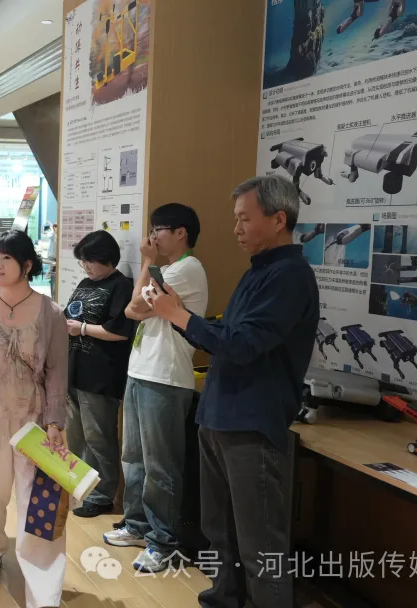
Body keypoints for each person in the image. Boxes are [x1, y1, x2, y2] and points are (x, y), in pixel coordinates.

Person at [148, 176, 318, 607]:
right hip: (219, 416)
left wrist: (181, 317)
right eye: (235, 218)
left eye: (245, 218)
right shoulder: (258, 271)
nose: (236, 228)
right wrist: (179, 315)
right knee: (219, 533)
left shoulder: (290, 276)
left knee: (261, 547)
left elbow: (244, 344)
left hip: (251, 423)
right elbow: (227, 334)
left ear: (278, 219)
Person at [0, 229, 68, 608]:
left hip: (36, 424)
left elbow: (57, 371)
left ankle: (43, 581)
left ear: (27, 264)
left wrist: (55, 421)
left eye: (6, 258)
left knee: (40, 504)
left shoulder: (51, 313)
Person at [103, 202, 208, 573]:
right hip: (141, 370)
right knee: (133, 458)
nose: (152, 237)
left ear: (181, 233)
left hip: (166, 376)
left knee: (161, 467)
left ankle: (163, 542)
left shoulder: (186, 269)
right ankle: (137, 526)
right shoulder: (168, 271)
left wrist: (147, 261)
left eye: (158, 229)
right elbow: (133, 311)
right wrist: (150, 268)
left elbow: (134, 305)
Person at [62, 231, 135, 519]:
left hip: (101, 374)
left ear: (106, 258)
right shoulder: (85, 283)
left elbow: (120, 331)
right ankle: (82, 486)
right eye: (82, 261)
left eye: (89, 261)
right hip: (74, 368)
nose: (86, 267)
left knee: (99, 437)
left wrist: (81, 329)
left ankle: (103, 494)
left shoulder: (121, 286)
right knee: (76, 434)